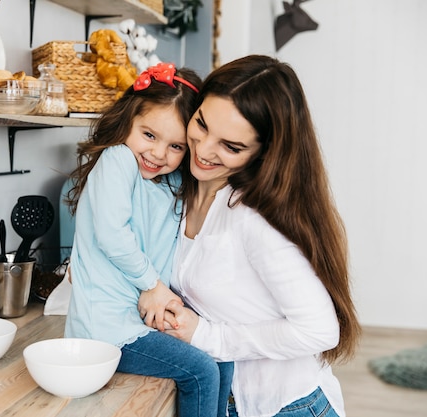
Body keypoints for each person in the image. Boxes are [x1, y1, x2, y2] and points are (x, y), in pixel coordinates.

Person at [141, 55, 362, 417]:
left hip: (286, 407)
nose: (204, 149)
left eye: (231, 146)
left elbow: (320, 331)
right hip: (229, 398)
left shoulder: (254, 219)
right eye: (201, 124)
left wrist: (211, 337)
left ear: (265, 152)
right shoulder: (183, 188)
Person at [64, 62, 229, 417]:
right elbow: (112, 235)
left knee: (222, 354)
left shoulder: (171, 185)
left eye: (176, 147)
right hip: (106, 329)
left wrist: (168, 301)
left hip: (144, 319)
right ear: (128, 121)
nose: (158, 154)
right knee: (200, 371)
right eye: (149, 135)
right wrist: (153, 286)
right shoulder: (118, 159)